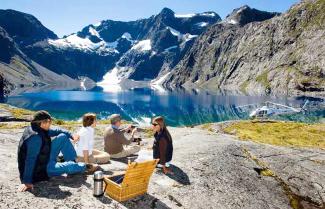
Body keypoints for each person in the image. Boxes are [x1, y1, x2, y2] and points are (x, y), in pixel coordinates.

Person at [17, 111, 97, 192]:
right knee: (69, 166)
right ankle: (85, 166)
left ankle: (74, 161)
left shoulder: (37, 127)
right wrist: (26, 181)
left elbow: (58, 130)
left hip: (44, 157)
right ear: (43, 123)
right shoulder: (35, 137)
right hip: (41, 168)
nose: (50, 124)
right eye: (49, 122)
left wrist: (71, 135)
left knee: (63, 137)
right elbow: (30, 159)